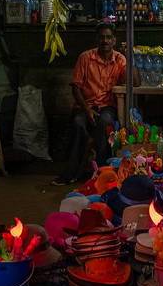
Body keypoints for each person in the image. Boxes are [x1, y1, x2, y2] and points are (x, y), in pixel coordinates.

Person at [52, 22, 140, 186]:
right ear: (96, 40)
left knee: (105, 123)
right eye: (102, 37)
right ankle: (71, 174)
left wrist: (129, 56)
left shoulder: (120, 59)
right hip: (85, 106)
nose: (105, 41)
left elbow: (134, 83)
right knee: (78, 124)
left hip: (107, 106)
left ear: (114, 40)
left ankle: (102, 170)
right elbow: (76, 87)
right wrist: (87, 110)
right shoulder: (85, 58)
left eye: (108, 38)